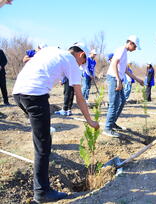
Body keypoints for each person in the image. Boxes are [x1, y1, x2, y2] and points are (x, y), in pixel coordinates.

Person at [12, 42, 99, 203]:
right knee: (43, 146)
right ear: (81, 55)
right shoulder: (72, 62)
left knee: (42, 135)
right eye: (83, 62)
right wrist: (90, 121)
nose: (81, 65)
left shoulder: (51, 50)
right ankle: (42, 192)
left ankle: (43, 136)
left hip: (18, 93)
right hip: (35, 95)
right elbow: (79, 98)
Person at [104, 35, 144, 137]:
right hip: (114, 78)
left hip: (118, 78)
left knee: (122, 101)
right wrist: (118, 80)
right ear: (130, 43)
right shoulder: (121, 50)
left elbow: (125, 70)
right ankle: (107, 128)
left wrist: (137, 79)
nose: (135, 49)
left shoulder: (125, 52)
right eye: (135, 47)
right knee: (114, 103)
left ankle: (112, 123)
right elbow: (113, 63)